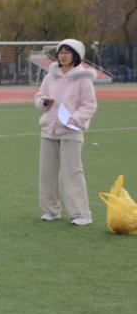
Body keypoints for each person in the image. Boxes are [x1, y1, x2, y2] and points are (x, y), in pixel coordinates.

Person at [34, 38, 98, 226]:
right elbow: (39, 96)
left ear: (76, 56)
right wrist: (43, 102)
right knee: (47, 173)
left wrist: (74, 119)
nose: (62, 56)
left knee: (72, 172)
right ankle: (50, 211)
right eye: (60, 52)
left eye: (67, 52)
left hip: (71, 131)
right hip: (49, 130)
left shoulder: (83, 79)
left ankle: (81, 214)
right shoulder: (50, 76)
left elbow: (89, 105)